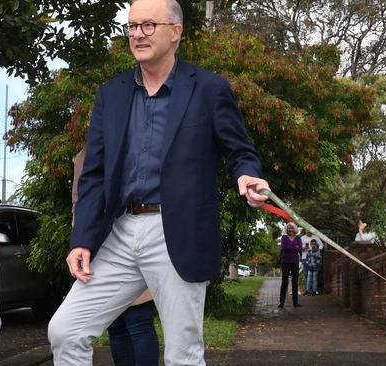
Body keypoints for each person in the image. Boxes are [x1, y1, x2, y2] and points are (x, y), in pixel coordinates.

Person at [47, 0, 270, 363]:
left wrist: (247, 175)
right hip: (119, 232)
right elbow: (94, 176)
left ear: (176, 32)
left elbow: (241, 150)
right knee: (65, 330)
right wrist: (82, 239)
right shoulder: (111, 94)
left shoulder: (209, 89)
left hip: (177, 233)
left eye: (148, 25)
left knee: (183, 355)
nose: (137, 33)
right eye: (132, 26)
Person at [72, 147, 160, 366]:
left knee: (136, 322)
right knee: (119, 325)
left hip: (137, 237)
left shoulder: (137, 141)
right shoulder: (88, 154)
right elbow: (79, 203)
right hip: (102, 246)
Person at [279, 223, 302, 308]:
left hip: (295, 262)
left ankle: (295, 303)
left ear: (295, 229)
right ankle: (281, 302)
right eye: (288, 228)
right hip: (285, 261)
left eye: (292, 228)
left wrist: (293, 247)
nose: (290, 230)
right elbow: (284, 247)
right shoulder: (284, 237)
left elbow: (299, 248)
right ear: (286, 230)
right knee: (284, 282)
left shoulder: (298, 238)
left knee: (295, 282)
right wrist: (294, 247)